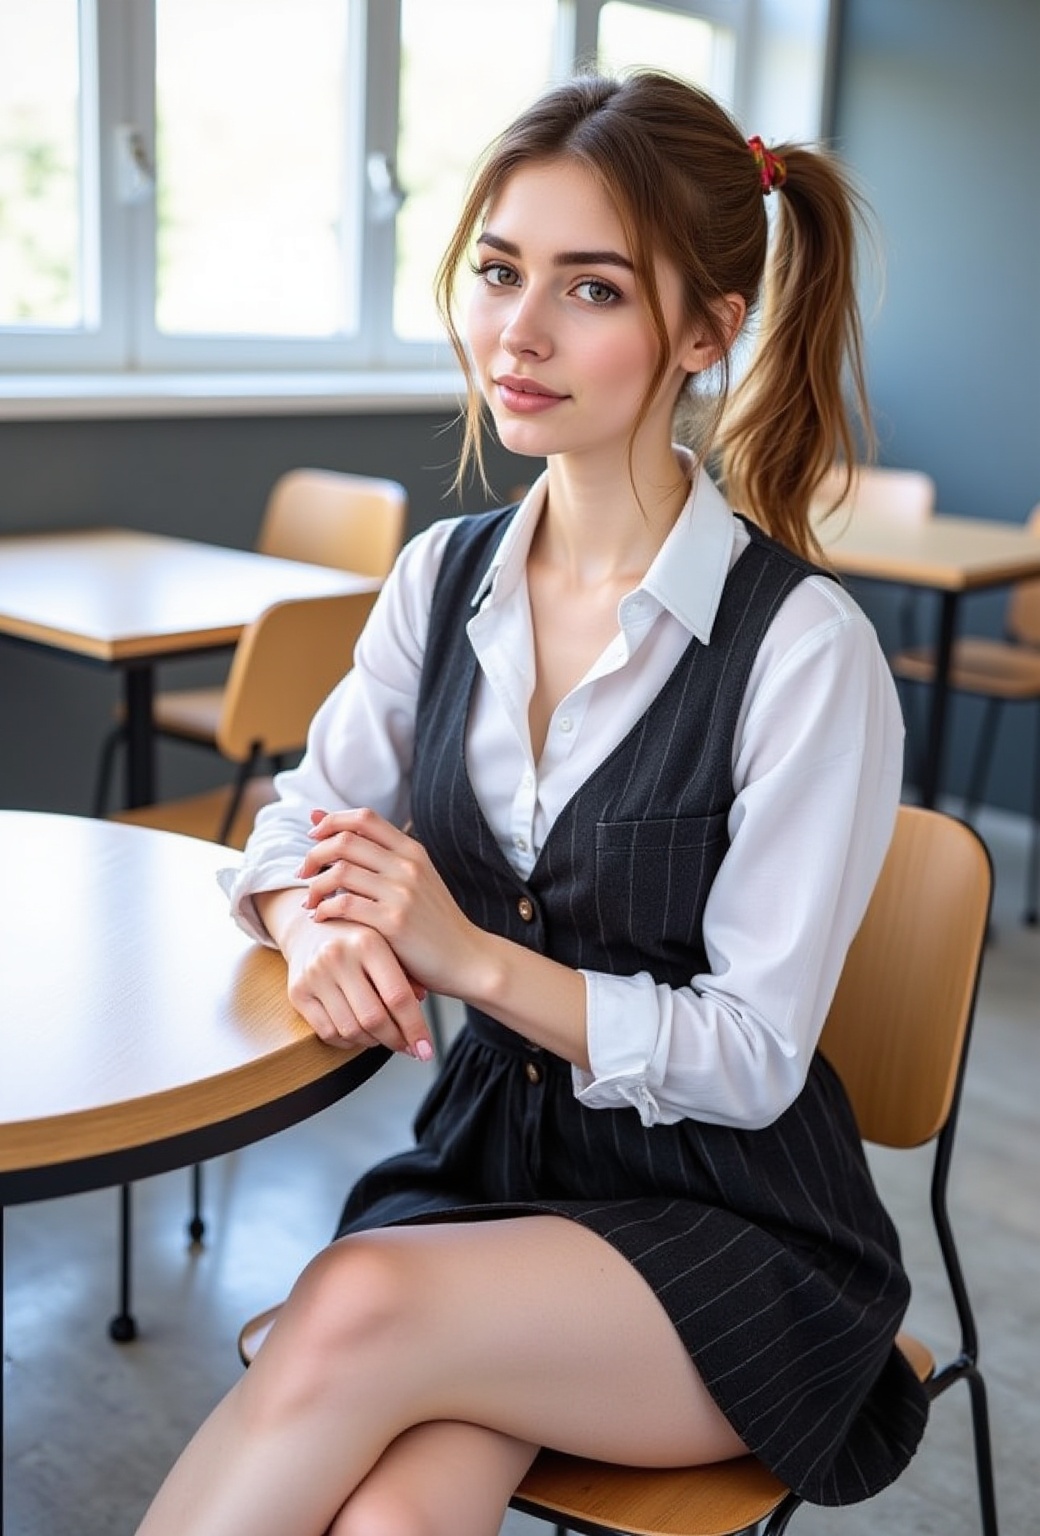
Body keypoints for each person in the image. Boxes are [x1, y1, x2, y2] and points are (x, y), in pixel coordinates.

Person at [135, 69, 926, 1536]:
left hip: (733, 1241)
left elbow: (753, 1059)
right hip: (486, 1185)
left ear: (708, 331)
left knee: (356, 1299)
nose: (521, 331)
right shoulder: (441, 578)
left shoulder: (804, 651)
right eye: (501, 271)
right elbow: (298, 823)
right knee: (393, 1517)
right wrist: (312, 926)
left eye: (593, 289)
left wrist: (469, 957)